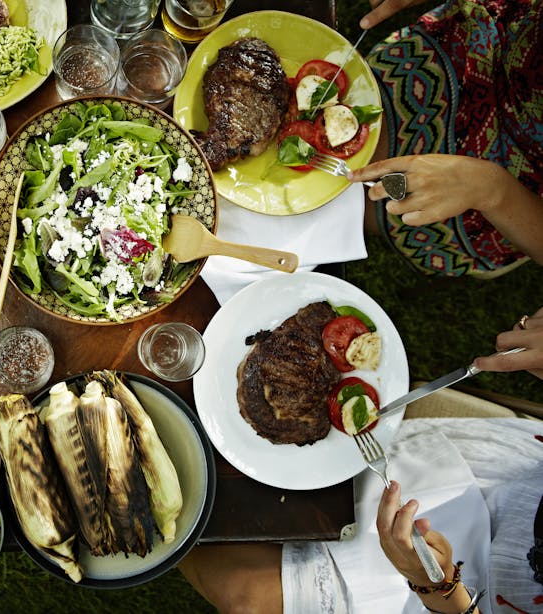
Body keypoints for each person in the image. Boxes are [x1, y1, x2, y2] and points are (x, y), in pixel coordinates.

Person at [178, 310, 543, 613]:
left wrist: (437, 587)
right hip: (507, 481)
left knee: (246, 597)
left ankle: (160, 504)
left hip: (462, 598)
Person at [346, 0, 543, 277]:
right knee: (345, 111)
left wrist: (493, 190)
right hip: (479, 41)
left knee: (354, 202)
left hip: (516, 187)